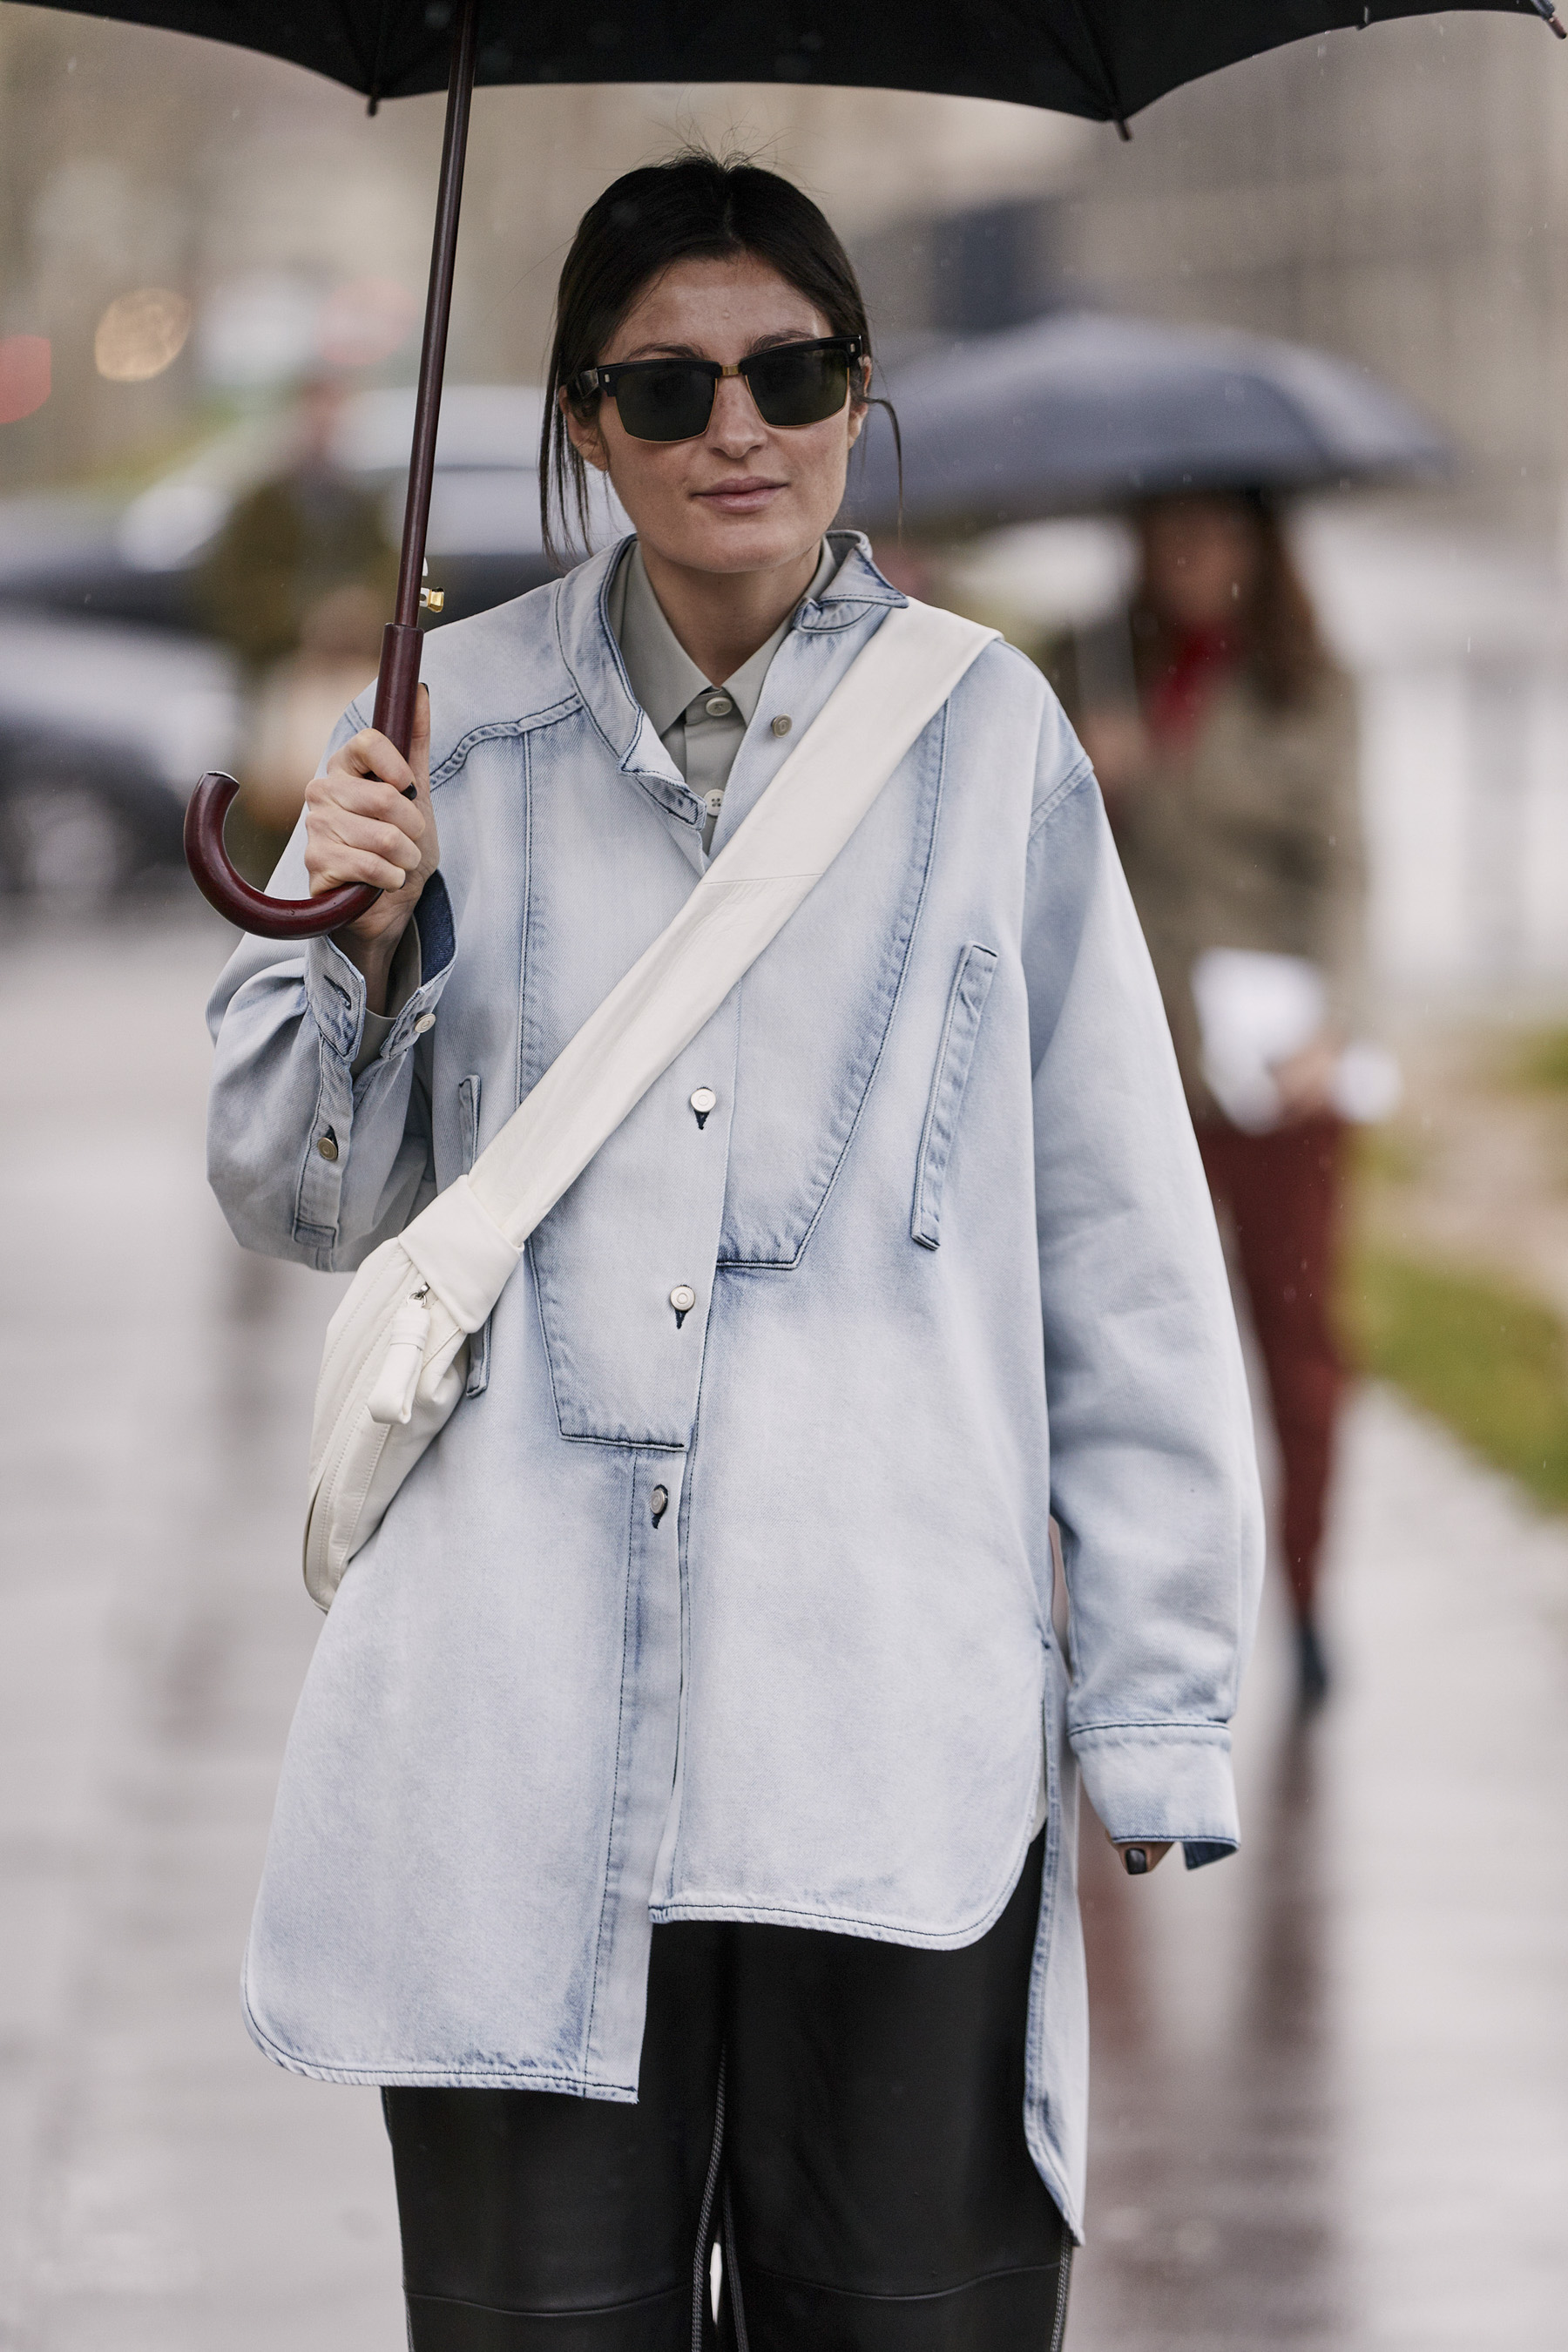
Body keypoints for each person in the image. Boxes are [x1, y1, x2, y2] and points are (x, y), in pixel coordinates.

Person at [205, 157, 1261, 2351]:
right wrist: (360, 952)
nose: (734, 432)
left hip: (890, 1740)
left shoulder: (988, 747)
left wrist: (1160, 1701)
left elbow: (1122, 1248)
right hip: (507, 1739)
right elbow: (296, 1200)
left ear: (860, 394)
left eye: (791, 371)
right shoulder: (439, 741)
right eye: (665, 387)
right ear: (584, 422)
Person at [1077, 493, 1366, 1707]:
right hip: (1130, 1063)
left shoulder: (1309, 683)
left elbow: (1347, 870)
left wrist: (1335, 1024)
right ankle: (1128, 1622)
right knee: (1122, 1351)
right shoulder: (1088, 667)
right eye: (1171, 534)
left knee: (1294, 1346)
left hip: (1276, 1072)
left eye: (1218, 535)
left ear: (1259, 545)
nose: (1193, 558)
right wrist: (1095, 776)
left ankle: (1301, 1599)